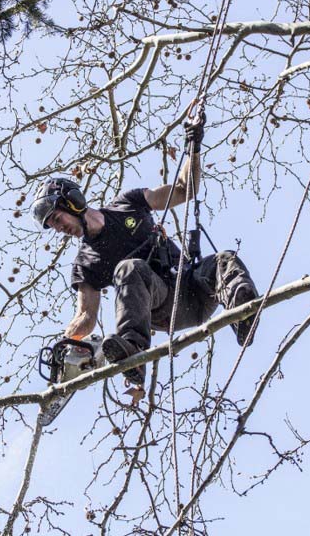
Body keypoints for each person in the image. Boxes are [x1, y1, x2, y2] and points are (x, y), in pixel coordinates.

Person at [30, 115, 259, 385]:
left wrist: (193, 145)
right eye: (53, 226)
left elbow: (185, 189)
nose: (59, 229)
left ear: (73, 202)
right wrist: (68, 344)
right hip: (164, 307)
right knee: (130, 269)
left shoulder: (128, 204)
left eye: (58, 219)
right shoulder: (86, 263)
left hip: (194, 285)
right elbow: (85, 315)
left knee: (224, 260)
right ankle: (133, 352)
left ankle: (244, 311)